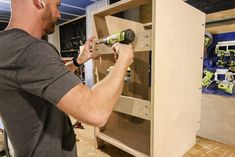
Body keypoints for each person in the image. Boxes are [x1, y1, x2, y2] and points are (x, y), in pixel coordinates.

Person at [0, 0, 134, 157]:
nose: (59, 14)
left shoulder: (7, 45)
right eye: (57, 5)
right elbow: (96, 112)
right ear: (39, 2)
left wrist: (78, 61)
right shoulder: (30, 49)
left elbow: (42, 81)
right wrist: (124, 59)